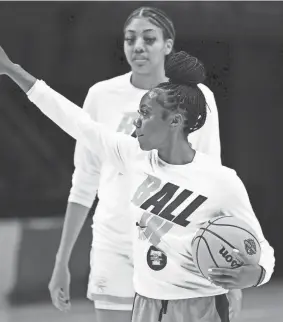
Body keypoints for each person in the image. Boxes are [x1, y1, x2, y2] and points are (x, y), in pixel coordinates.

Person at [0, 46, 275, 322]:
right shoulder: (132, 156)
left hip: (201, 307)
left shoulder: (222, 181)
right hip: (145, 306)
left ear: (175, 121)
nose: (136, 120)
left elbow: (262, 250)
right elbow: (77, 122)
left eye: (145, 113)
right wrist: (12, 70)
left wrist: (257, 273)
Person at [48, 6, 223, 322]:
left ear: (168, 45)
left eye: (149, 38)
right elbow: (84, 180)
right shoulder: (102, 96)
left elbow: (211, 181)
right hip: (113, 245)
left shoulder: (199, 98)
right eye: (130, 39)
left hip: (173, 246)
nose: (138, 46)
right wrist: (61, 262)